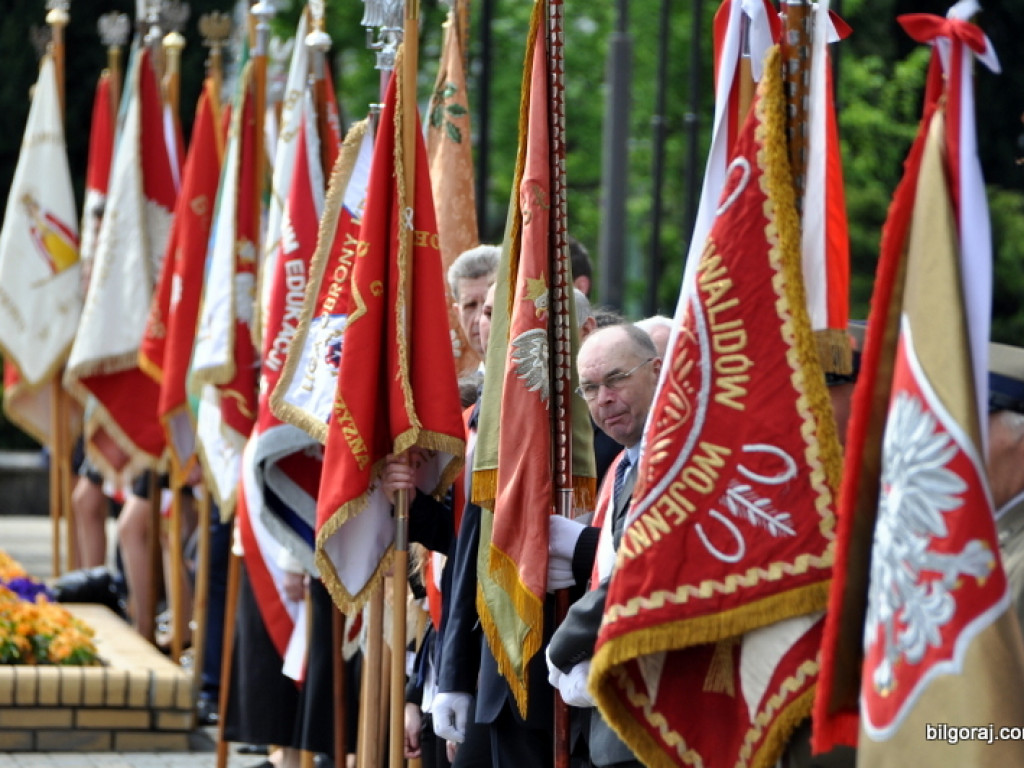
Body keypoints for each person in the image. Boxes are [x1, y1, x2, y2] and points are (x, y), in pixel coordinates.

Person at [545, 323, 662, 768]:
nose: (603, 399)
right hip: (617, 717)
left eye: (616, 379)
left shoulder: (677, 458)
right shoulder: (624, 465)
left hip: (661, 713)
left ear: (656, 371)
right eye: (590, 388)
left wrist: (566, 644)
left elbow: (643, 567)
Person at [448, 245, 501, 359]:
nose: (479, 318)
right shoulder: (446, 376)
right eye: (471, 306)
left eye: (490, 309)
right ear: (458, 313)